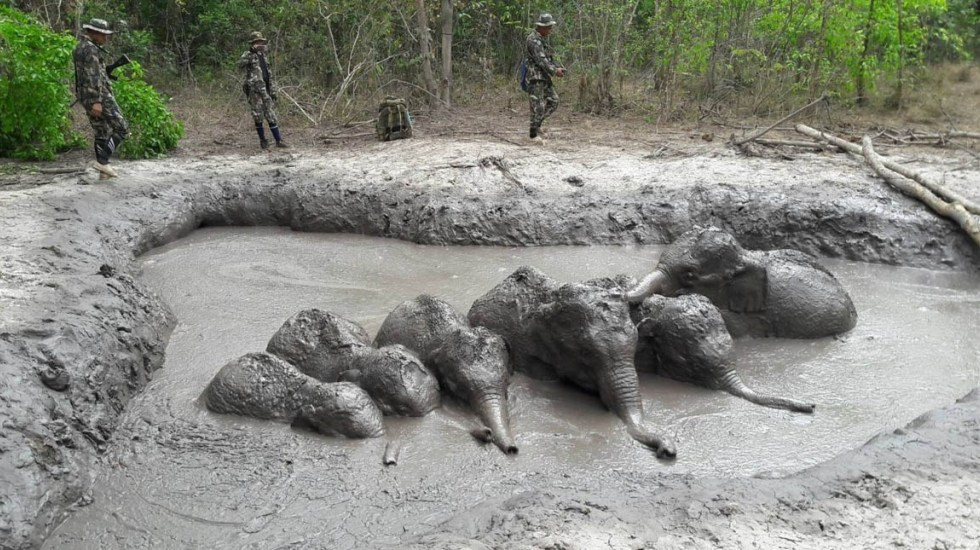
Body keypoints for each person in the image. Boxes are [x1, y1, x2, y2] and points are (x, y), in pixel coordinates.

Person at [73, 18, 128, 179]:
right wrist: (97, 101)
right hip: (98, 95)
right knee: (121, 127)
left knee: (101, 130)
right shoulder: (91, 50)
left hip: (85, 95)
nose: (106, 38)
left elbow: (86, 74)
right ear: (95, 33)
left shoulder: (80, 47)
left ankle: (104, 170)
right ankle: (103, 161)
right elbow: (93, 76)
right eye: (103, 34)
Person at [239, 32, 287, 149]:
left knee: (271, 115)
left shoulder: (264, 56)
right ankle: (263, 141)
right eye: (257, 42)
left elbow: (269, 75)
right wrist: (251, 52)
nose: (260, 44)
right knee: (258, 115)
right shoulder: (248, 55)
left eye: (261, 42)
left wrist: (273, 91)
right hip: (254, 91)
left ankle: (278, 140)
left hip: (266, 90)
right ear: (252, 44)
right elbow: (240, 65)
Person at [524, 13, 565, 145]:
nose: (550, 30)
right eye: (549, 27)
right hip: (535, 78)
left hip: (544, 78)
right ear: (541, 27)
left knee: (554, 101)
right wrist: (554, 71)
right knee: (537, 106)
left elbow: (548, 59)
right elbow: (541, 61)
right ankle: (533, 134)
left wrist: (557, 67)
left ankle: (537, 125)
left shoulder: (541, 40)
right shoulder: (533, 40)